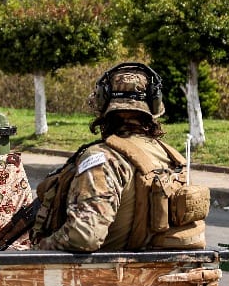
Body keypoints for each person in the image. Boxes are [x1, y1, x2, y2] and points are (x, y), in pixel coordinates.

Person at [31, 63, 209, 252]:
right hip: (165, 268)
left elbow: (83, 236)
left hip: (109, 269)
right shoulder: (172, 158)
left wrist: (41, 248)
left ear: (102, 103)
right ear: (154, 106)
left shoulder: (101, 158)